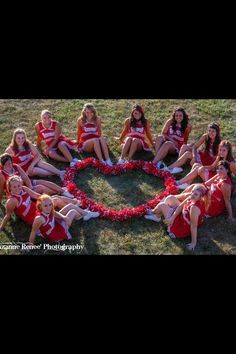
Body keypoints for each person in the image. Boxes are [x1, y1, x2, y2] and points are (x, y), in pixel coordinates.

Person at [0, 176, 99, 233]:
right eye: (14, 187)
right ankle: (84, 212)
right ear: (9, 188)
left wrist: (47, 199)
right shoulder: (12, 201)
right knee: (68, 207)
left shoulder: (24, 189)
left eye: (19, 185)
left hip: (39, 209)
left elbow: (37, 195)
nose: (18, 188)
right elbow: (7, 215)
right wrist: (1, 228)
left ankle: (82, 213)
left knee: (54, 199)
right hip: (38, 218)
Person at [144, 184, 207, 251]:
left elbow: (194, 226)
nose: (192, 194)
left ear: (200, 197)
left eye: (196, 194)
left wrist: (193, 243)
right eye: (192, 191)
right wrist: (172, 218)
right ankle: (157, 215)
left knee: (162, 205)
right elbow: (180, 206)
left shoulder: (194, 208)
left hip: (181, 226)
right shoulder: (191, 197)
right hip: (182, 215)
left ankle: (155, 213)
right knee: (170, 198)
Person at [0, 153, 74, 203]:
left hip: (26, 184)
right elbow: (1, 189)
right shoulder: (2, 174)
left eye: (10, 163)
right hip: (19, 191)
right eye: (6, 164)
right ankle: (58, 191)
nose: (9, 165)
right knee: (41, 187)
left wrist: (31, 187)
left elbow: (25, 177)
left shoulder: (15, 166)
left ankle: (63, 191)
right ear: (2, 165)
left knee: (43, 182)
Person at [29, 194, 98, 244]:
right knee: (72, 211)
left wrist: (64, 217)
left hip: (54, 224)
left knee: (70, 206)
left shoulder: (48, 210)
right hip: (55, 234)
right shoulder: (39, 218)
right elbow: (33, 231)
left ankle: (84, 214)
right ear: (40, 206)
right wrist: (30, 245)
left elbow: (54, 213)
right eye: (46, 205)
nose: (49, 207)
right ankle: (84, 214)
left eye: (50, 204)